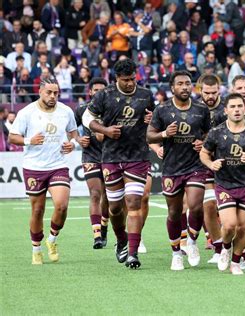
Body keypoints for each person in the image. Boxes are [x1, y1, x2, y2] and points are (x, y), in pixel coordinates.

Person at [81, 58, 155, 269]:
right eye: (126, 80)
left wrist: (152, 121)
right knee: (114, 208)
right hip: (111, 158)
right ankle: (121, 240)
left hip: (137, 158)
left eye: (133, 79)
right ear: (116, 79)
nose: (130, 83)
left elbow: (154, 119)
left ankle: (133, 253)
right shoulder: (105, 95)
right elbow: (87, 118)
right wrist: (104, 131)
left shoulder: (145, 95)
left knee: (133, 203)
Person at [8, 77, 79, 264]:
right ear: (40, 91)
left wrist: (72, 144)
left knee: (62, 205)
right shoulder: (26, 112)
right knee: (38, 210)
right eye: (49, 92)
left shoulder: (66, 111)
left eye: (56, 93)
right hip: (34, 167)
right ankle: (36, 249)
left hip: (58, 165)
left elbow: (74, 132)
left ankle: (52, 239)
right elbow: (12, 137)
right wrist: (28, 141)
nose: (53, 96)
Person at [146, 70, 211, 271]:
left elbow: (210, 133)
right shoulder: (162, 110)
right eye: (180, 84)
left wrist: (204, 143)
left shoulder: (201, 109)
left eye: (188, 83)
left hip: (195, 166)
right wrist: (165, 133)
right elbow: (150, 136)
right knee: (174, 213)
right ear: (172, 88)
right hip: (172, 168)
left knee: (196, 205)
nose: (185, 87)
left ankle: (191, 242)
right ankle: (176, 253)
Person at [200, 93, 245, 275]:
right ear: (226, 110)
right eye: (233, 107)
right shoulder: (217, 132)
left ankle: (236, 262)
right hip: (225, 184)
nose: (237, 110)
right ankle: (225, 247)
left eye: (239, 106)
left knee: (242, 226)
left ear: (244, 109)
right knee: (229, 225)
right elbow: (204, 153)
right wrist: (211, 164)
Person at [74, 77, 109, 249]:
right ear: (90, 92)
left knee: (109, 197)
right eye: (96, 90)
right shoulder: (82, 109)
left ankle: (104, 226)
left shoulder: (112, 109)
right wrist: (79, 140)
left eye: (102, 90)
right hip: (90, 157)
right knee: (95, 194)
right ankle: (96, 236)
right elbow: (70, 129)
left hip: (111, 157)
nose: (99, 93)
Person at [199, 74, 225, 264]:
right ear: (200, 90)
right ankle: (218, 248)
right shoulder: (194, 109)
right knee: (208, 206)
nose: (210, 96)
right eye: (206, 92)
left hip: (228, 164)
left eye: (213, 92)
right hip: (202, 163)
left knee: (227, 208)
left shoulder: (228, 108)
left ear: (219, 89)